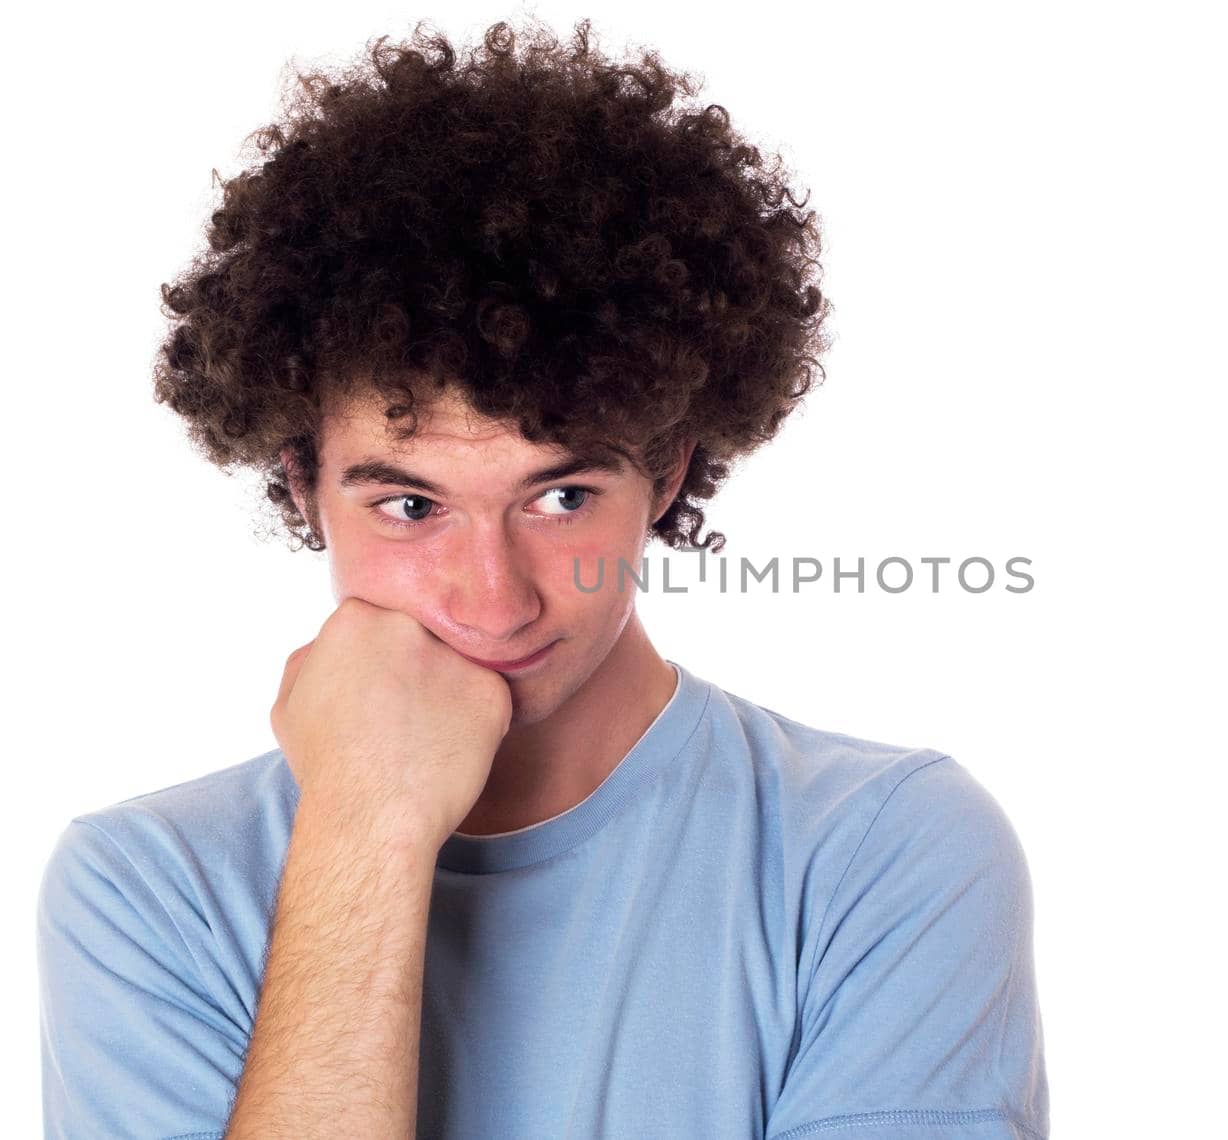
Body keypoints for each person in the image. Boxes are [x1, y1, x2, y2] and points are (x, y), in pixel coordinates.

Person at [35, 16, 1049, 1139]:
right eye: (411, 506)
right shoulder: (146, 890)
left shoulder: (880, 852)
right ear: (302, 483)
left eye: (560, 497)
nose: (494, 598)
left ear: (665, 472)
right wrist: (367, 829)